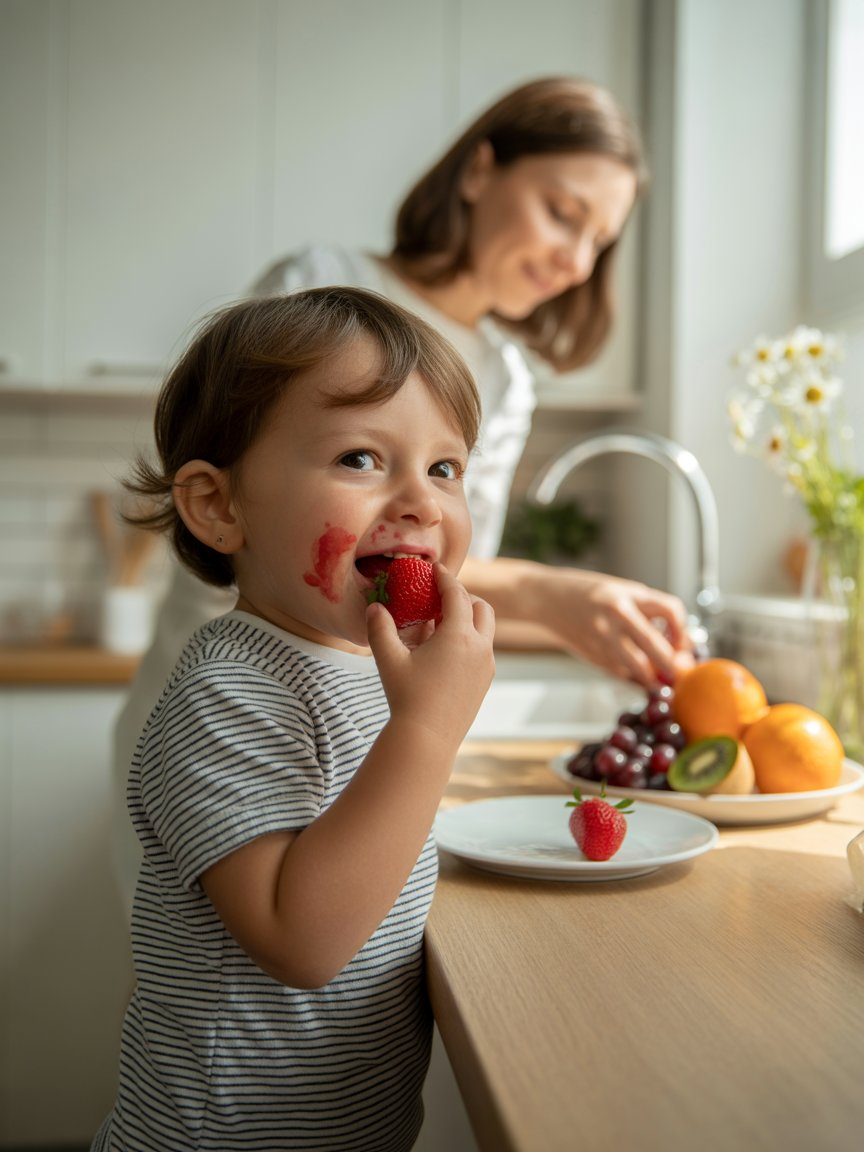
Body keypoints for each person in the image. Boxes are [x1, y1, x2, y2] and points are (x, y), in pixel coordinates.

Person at [112, 75, 694, 914]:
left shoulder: (505, 374)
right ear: (479, 172)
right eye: (564, 212)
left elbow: (415, 563)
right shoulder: (322, 281)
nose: (576, 260)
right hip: (250, 700)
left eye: (599, 240)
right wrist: (540, 595)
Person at [91, 287, 496, 1152]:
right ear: (220, 507)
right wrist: (427, 731)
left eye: (445, 468)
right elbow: (301, 940)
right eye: (360, 458)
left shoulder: (355, 663)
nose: (422, 502)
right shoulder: (227, 689)